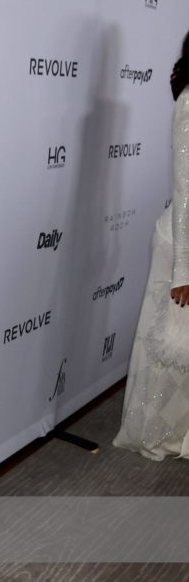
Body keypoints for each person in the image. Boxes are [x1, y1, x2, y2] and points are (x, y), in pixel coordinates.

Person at [113, 31, 189, 459]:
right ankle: (157, 433)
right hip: (181, 241)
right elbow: (185, 189)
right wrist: (184, 268)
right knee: (168, 350)